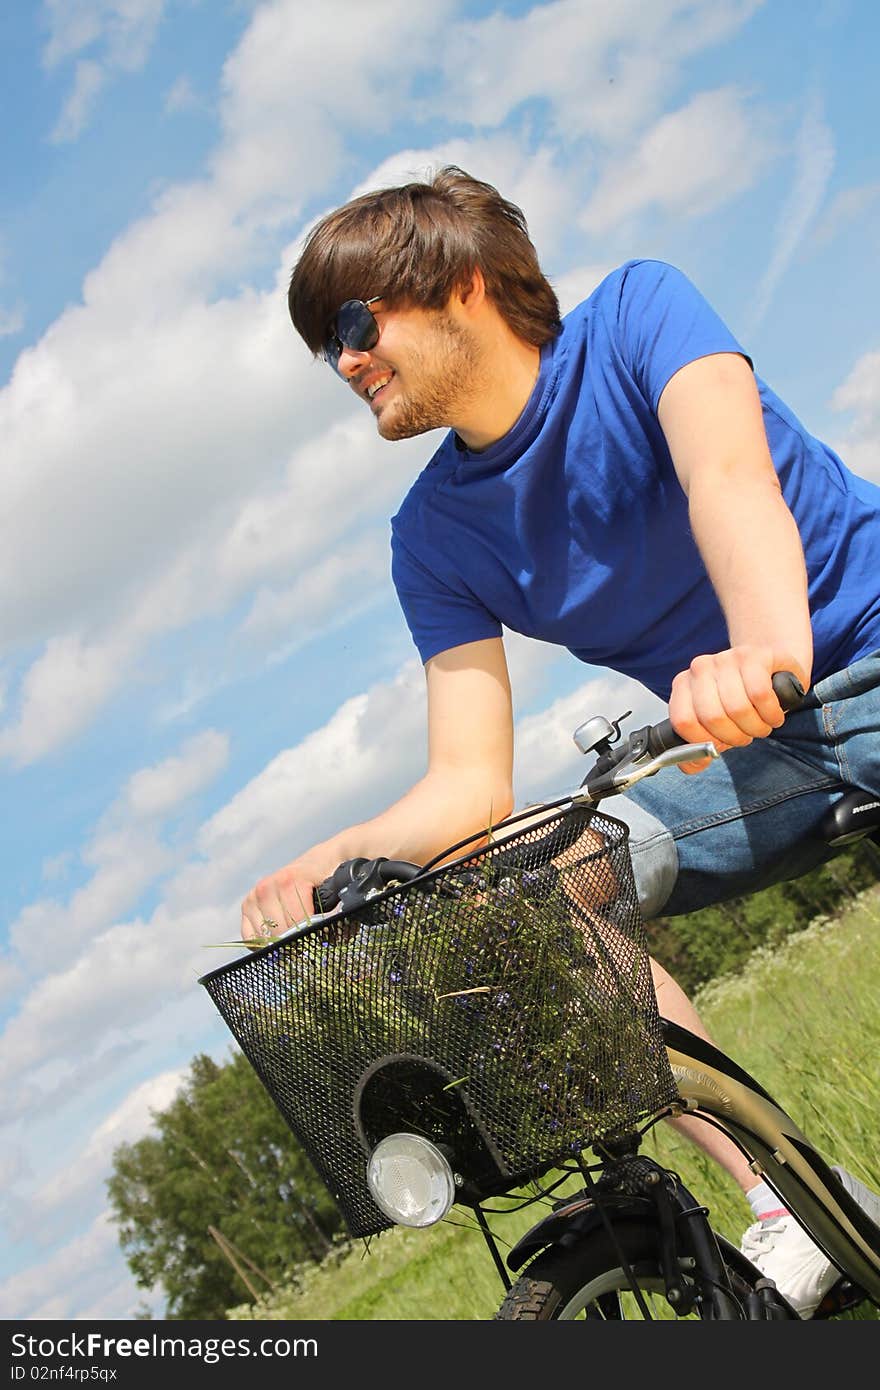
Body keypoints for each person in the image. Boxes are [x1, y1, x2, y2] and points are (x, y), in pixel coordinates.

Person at [241, 166, 880, 1317]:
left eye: (353, 323)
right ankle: (797, 1203)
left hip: (853, 660)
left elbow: (731, 482)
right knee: (540, 890)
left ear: (462, 283)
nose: (344, 362)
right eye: (324, 344)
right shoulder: (432, 535)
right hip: (755, 747)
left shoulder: (640, 315)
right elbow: (468, 783)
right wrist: (324, 857)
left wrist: (766, 647)